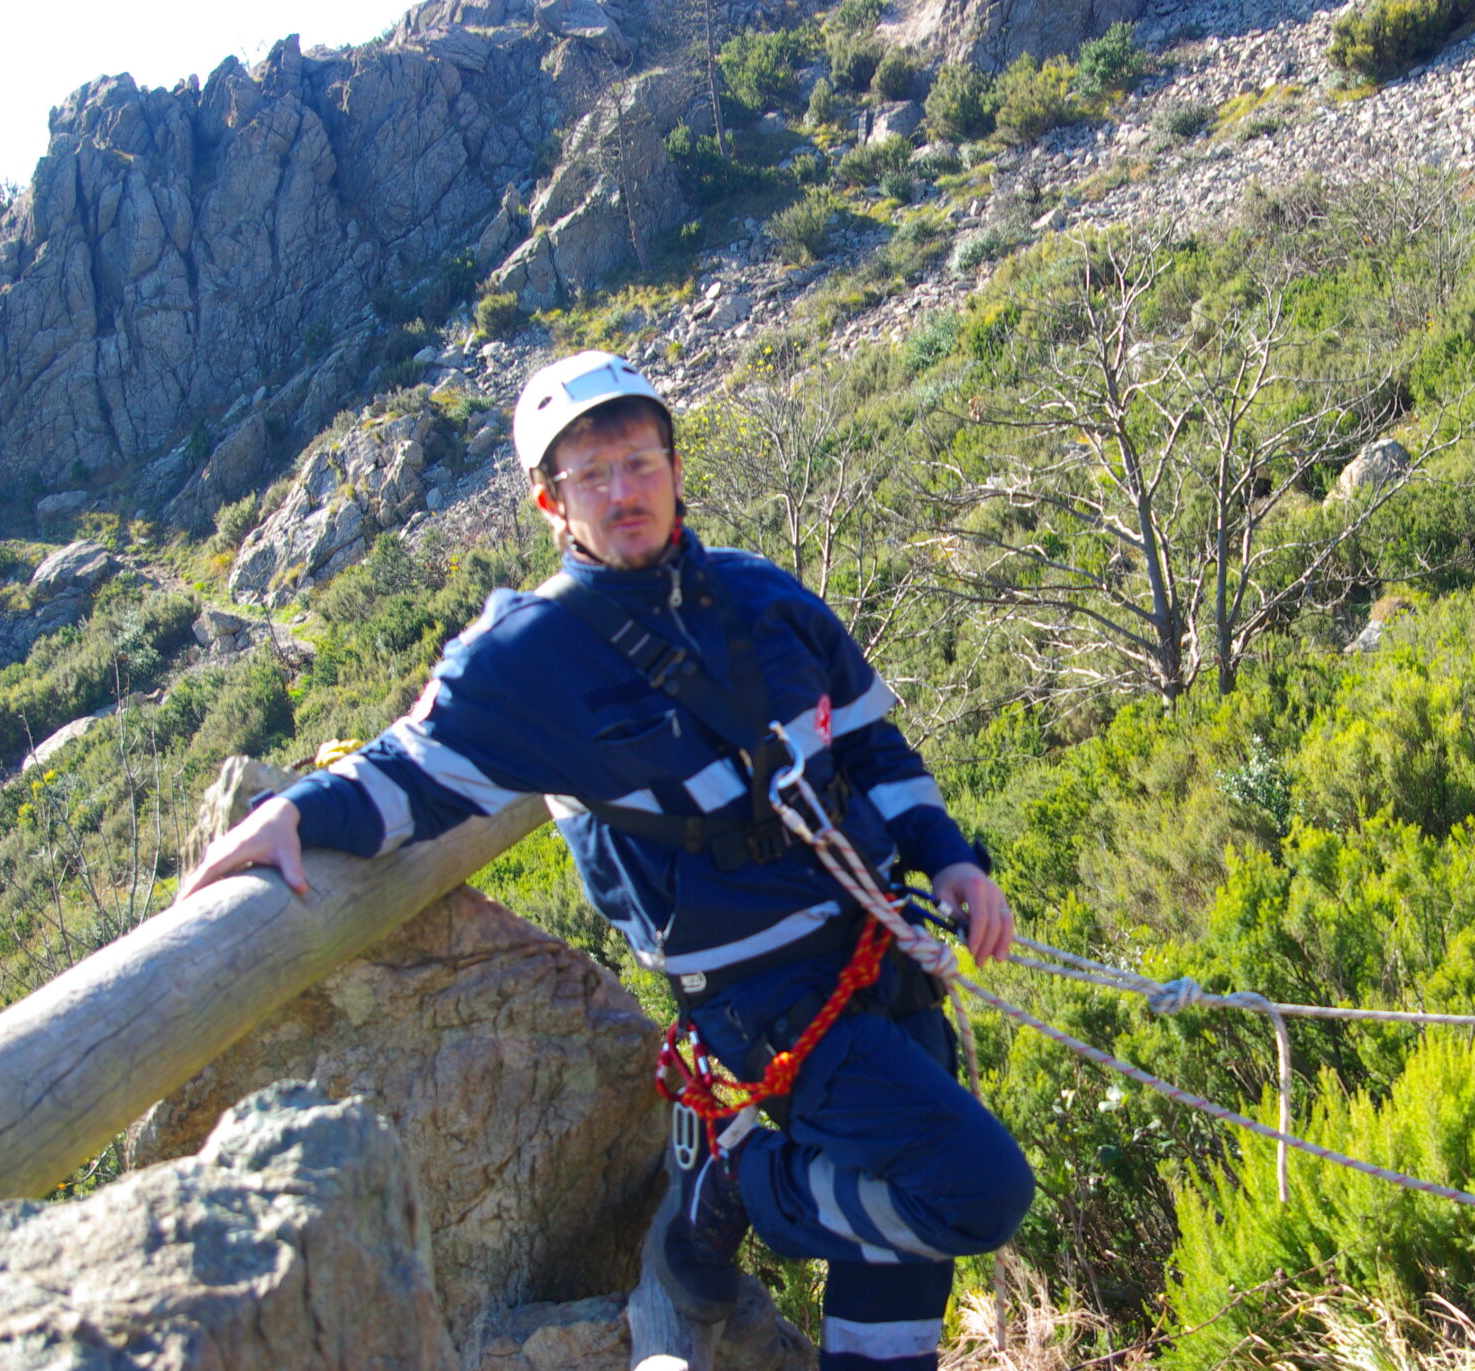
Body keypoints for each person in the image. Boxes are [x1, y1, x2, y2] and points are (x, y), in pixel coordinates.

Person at [184, 349, 1034, 1370]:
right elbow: (409, 773)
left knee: (898, 1253)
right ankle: (736, 1182)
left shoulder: (764, 598)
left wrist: (952, 862)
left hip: (878, 945)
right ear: (552, 502)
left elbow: (870, 747)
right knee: (975, 1191)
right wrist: (294, 811)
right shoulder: (530, 656)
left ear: (674, 467)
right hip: (763, 998)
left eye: (639, 462)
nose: (623, 491)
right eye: (592, 474)